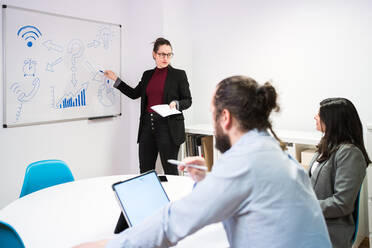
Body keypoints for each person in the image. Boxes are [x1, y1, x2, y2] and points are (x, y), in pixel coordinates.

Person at [74, 76, 331, 248]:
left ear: (226, 117)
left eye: (213, 115)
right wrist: (207, 181)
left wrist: (110, 244)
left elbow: (172, 223)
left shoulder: (246, 162)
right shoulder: (273, 152)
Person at [104, 38, 192, 175]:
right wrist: (116, 80)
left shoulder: (178, 75)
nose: (166, 58)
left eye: (169, 54)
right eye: (162, 54)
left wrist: (177, 104)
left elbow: (188, 100)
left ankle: (173, 197)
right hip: (147, 128)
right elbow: (134, 94)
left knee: (170, 171)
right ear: (154, 54)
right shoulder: (147, 75)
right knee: (145, 171)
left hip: (168, 129)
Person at [309, 98, 370, 248]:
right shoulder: (327, 145)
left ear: (333, 120)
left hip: (331, 231)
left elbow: (342, 203)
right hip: (314, 221)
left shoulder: (349, 153)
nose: (315, 117)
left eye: (319, 114)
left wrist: (306, 205)